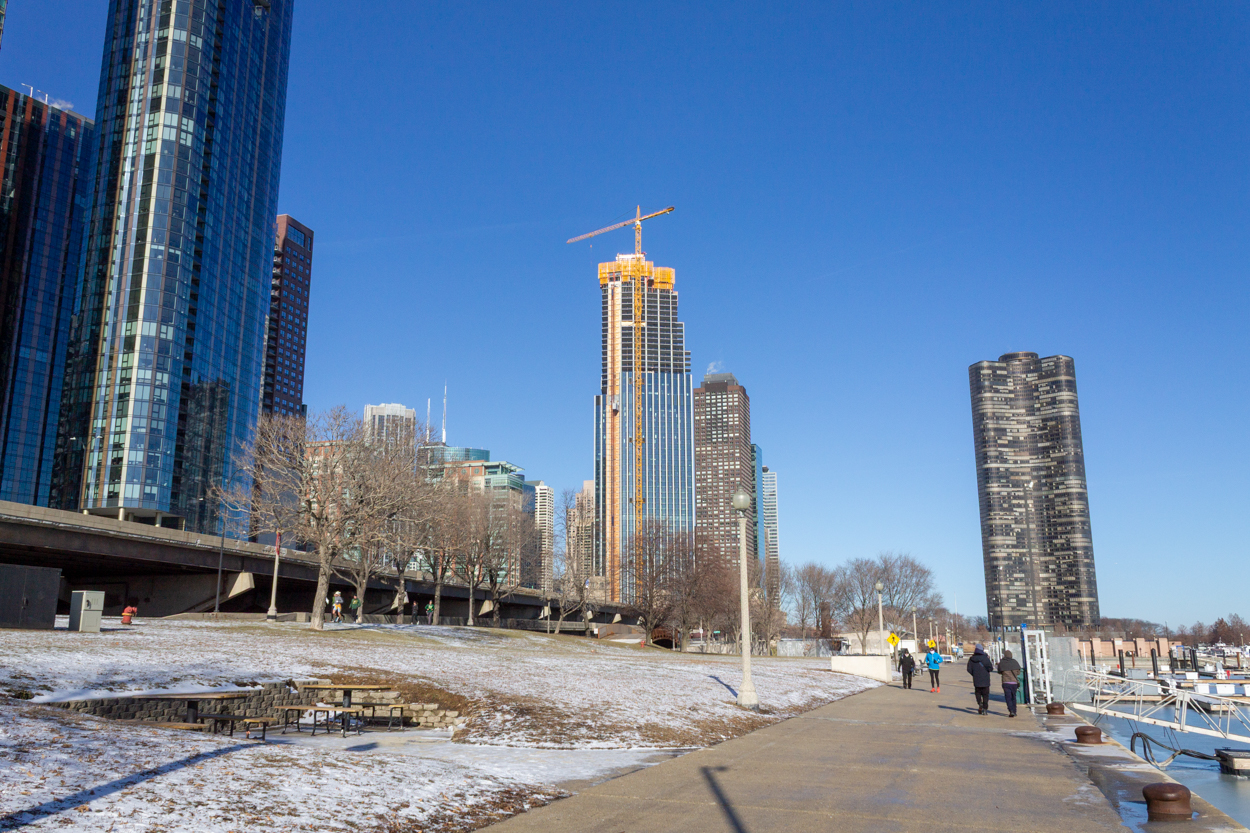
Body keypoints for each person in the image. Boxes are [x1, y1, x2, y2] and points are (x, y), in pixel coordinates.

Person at [967, 643, 995, 714]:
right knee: (986, 694)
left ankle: (980, 703)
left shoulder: (972, 659)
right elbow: (990, 668)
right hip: (985, 680)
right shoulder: (985, 658)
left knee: (978, 693)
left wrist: (974, 674)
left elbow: (969, 669)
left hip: (977, 680)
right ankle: (985, 709)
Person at [997, 649, 1022, 718]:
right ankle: (1014, 711)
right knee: (1013, 697)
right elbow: (1018, 672)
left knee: (1008, 697)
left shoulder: (1002, 663)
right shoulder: (1014, 662)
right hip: (1014, 683)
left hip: (1005, 682)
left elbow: (999, 672)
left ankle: (1011, 710)